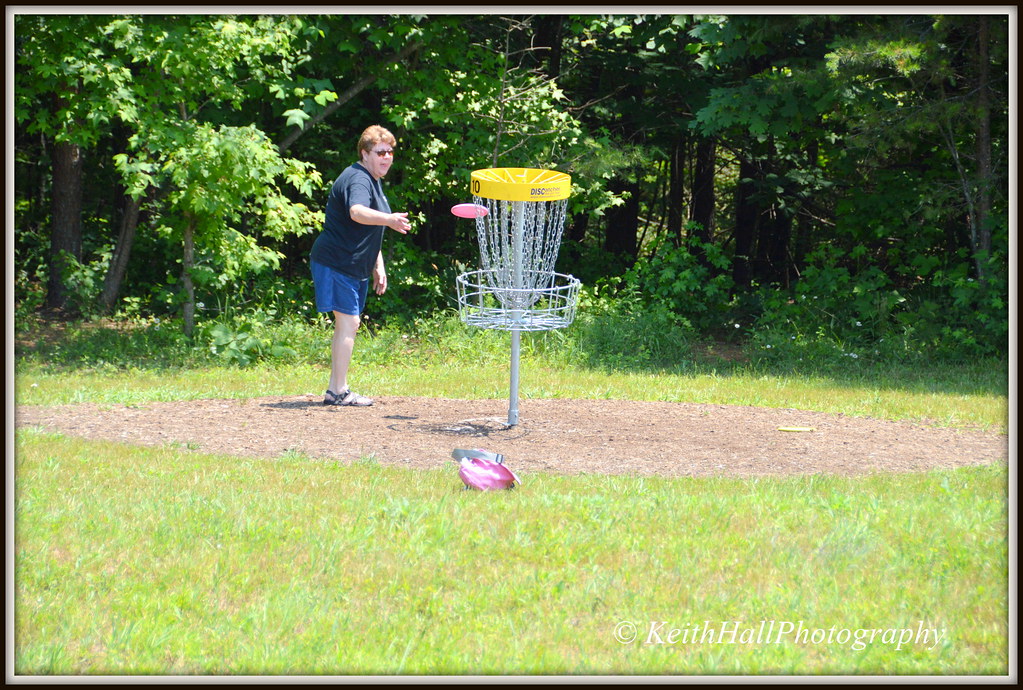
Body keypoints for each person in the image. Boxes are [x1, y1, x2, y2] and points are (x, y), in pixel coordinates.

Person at [310, 125, 411, 406]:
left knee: (347, 324)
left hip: (352, 264)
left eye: (390, 152)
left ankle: (335, 390)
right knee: (350, 323)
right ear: (365, 154)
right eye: (380, 152)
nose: (387, 157)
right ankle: (339, 391)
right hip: (337, 261)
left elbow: (367, 229)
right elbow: (357, 212)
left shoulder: (372, 180)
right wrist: (390, 219)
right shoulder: (358, 178)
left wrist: (378, 264)